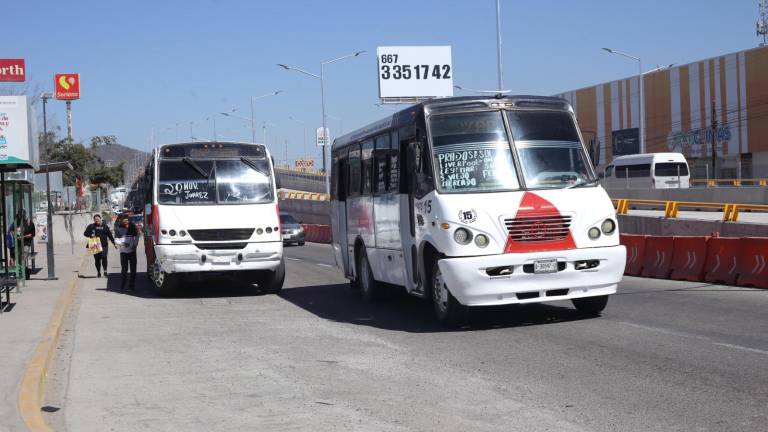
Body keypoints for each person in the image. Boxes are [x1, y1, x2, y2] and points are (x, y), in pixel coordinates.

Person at [114, 215, 139, 291]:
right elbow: (116, 240)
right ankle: (123, 285)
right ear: (121, 220)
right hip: (123, 252)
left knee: (133, 270)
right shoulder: (118, 229)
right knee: (124, 269)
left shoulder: (132, 227)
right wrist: (123, 244)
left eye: (126, 220)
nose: (125, 221)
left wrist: (135, 245)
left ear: (128, 220)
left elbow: (137, 237)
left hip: (132, 252)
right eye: (124, 220)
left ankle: (131, 286)